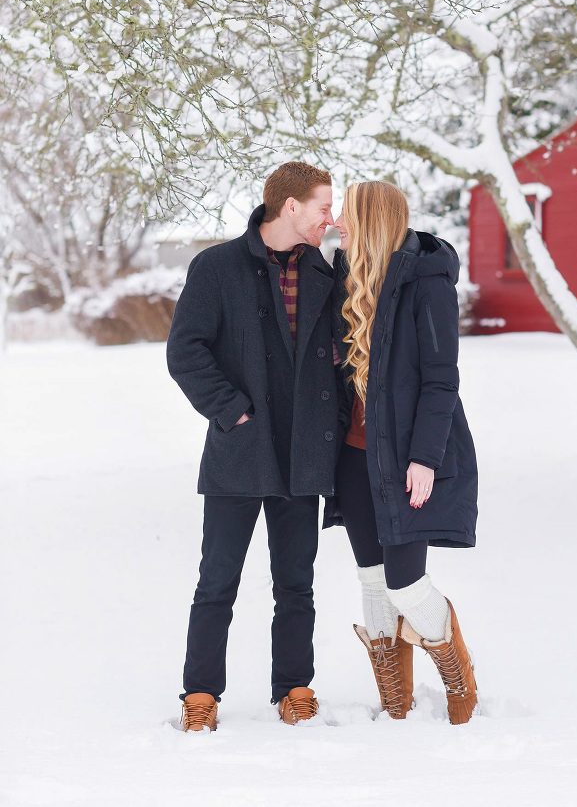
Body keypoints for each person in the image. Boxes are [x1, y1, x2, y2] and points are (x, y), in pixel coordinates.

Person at [167, 161, 340, 731]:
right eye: (323, 207)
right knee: (217, 580)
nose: (330, 218)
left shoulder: (325, 272)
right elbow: (185, 351)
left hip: (304, 454)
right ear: (291, 207)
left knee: (297, 583)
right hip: (240, 450)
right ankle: (201, 696)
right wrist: (232, 411)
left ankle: (294, 687)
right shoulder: (216, 267)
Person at [326, 180, 479, 725]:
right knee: (371, 577)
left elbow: (441, 381)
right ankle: (396, 697)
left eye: (345, 213)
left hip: (406, 459)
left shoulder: (427, 282)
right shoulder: (347, 278)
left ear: (370, 218)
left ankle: (457, 670)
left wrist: (426, 458)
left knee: (405, 582)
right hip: (354, 456)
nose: (337, 223)